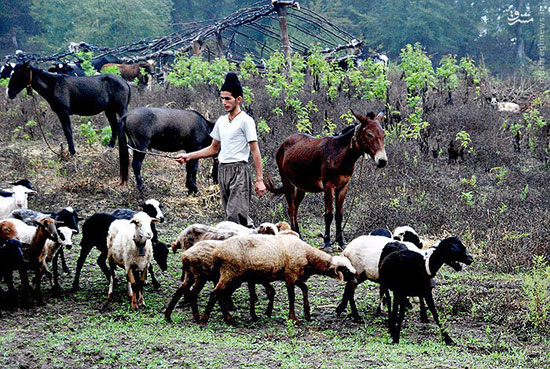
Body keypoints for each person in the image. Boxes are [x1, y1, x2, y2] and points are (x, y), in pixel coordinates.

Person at [175, 72, 266, 227]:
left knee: (235, 217)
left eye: (228, 99)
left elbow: (255, 150)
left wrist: (259, 180)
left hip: (239, 171)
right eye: (222, 99)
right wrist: (189, 156)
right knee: (231, 216)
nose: (224, 102)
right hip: (223, 171)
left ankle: (255, 241)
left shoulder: (246, 121)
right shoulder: (221, 121)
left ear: (238, 99)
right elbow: (213, 148)